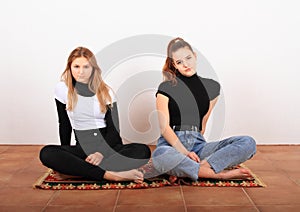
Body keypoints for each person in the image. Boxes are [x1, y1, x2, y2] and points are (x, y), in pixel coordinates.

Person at [40, 47, 151, 183]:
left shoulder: (106, 92)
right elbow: (64, 125)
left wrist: (100, 153)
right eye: (76, 66)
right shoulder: (62, 90)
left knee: (143, 151)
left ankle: (79, 172)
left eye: (86, 67)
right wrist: (65, 155)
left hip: (108, 148)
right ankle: (111, 175)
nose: (81, 72)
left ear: (93, 69)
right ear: (69, 67)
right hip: (82, 149)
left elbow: (114, 131)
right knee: (46, 153)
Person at [151, 38, 256, 181]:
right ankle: (216, 174)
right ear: (174, 65)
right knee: (160, 156)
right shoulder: (165, 87)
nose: (186, 64)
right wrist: (184, 152)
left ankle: (188, 169)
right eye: (179, 62)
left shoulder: (212, 87)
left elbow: (202, 124)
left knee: (248, 142)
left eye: (188, 58)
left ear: (195, 56)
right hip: (172, 144)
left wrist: (192, 154)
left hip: (198, 145)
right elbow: (164, 127)